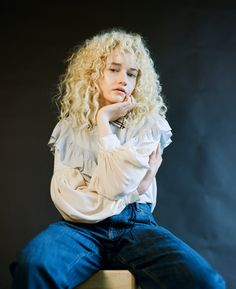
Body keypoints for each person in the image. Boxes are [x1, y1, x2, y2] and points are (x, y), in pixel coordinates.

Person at [10, 29, 225, 289]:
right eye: (114, 69)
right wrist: (136, 186)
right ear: (93, 74)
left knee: (206, 282)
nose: (123, 80)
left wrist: (110, 188)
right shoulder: (68, 128)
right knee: (33, 265)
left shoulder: (149, 124)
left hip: (135, 226)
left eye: (131, 74)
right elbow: (67, 198)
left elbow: (116, 186)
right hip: (79, 230)